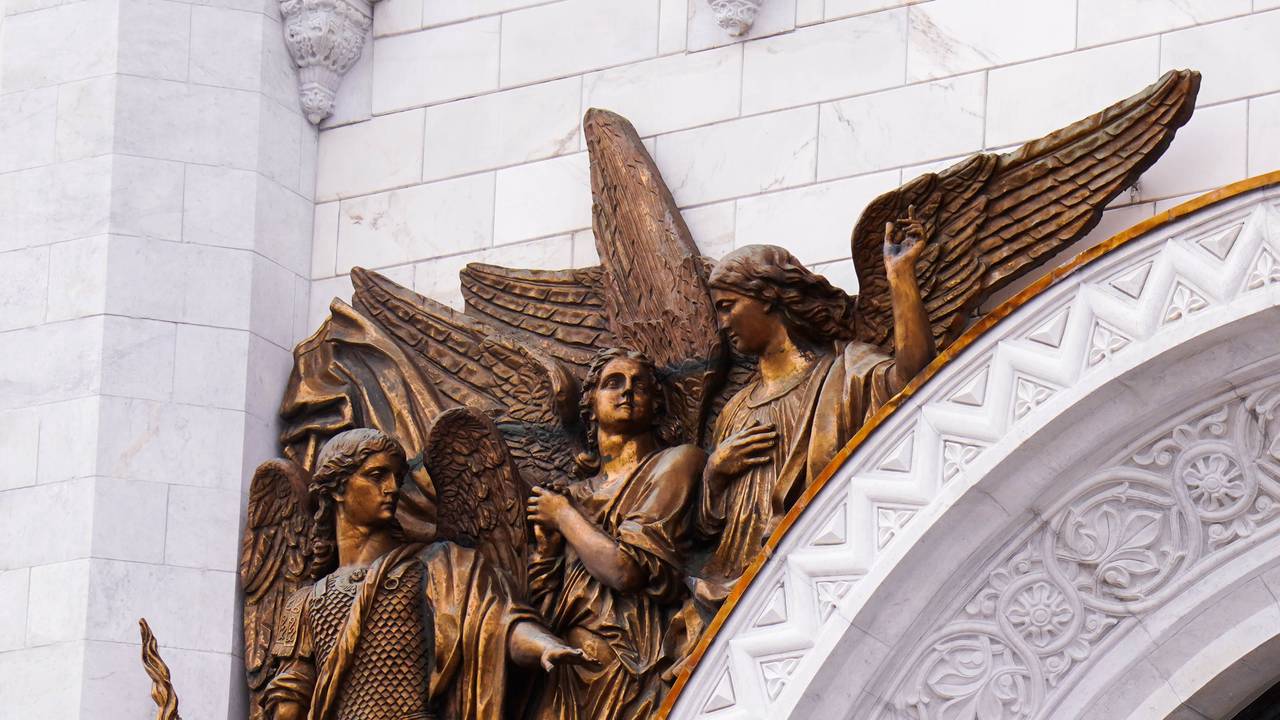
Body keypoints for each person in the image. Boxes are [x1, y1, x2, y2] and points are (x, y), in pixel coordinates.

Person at [695, 215, 935, 608]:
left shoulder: (847, 372)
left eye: (727, 307)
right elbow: (709, 528)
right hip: (734, 592)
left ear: (766, 296)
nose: (721, 325)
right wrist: (714, 473)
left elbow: (912, 379)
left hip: (825, 576)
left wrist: (901, 277)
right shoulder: (734, 411)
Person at [261, 428, 583, 720]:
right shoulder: (304, 602)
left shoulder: (438, 566)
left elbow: (496, 623)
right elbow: (291, 694)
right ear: (337, 489)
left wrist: (543, 645)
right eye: (376, 476)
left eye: (397, 478)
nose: (392, 488)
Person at [525, 348, 705, 720]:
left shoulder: (676, 463)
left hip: (634, 669)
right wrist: (546, 551)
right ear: (590, 406)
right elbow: (545, 610)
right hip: (569, 675)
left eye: (639, 385)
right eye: (613, 383)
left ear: (656, 405)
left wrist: (564, 518)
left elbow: (625, 572)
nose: (627, 391)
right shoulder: (571, 495)